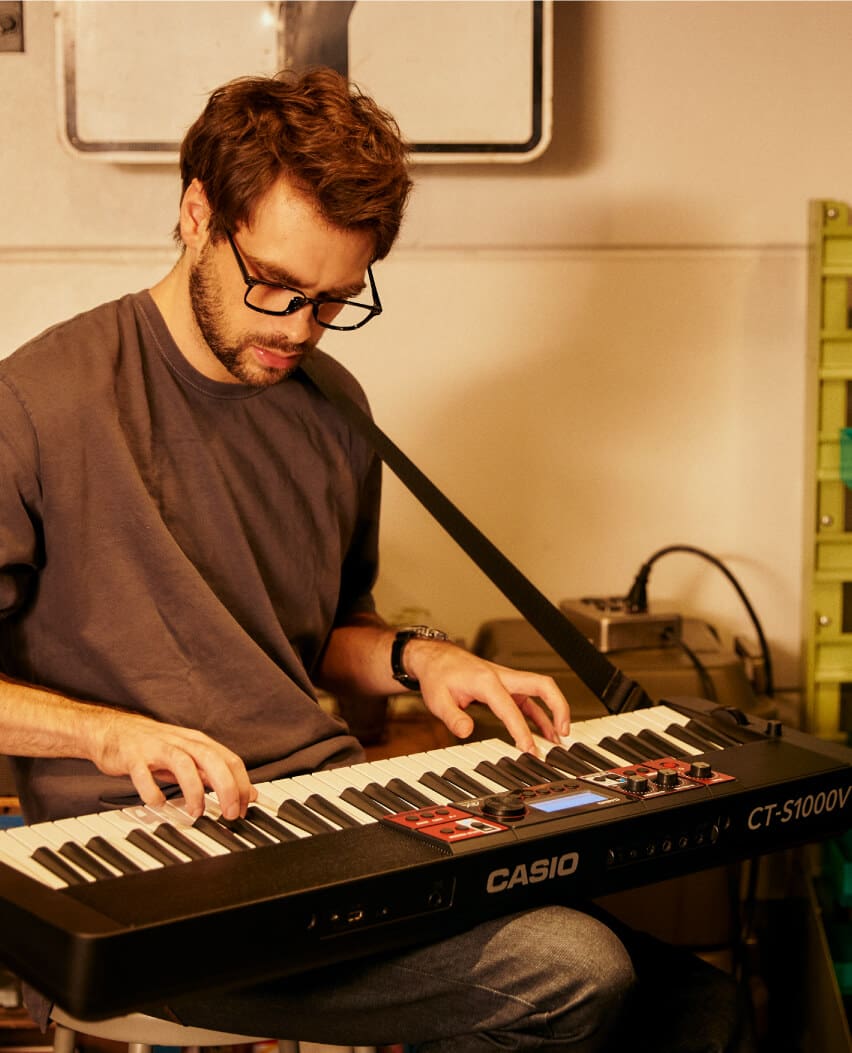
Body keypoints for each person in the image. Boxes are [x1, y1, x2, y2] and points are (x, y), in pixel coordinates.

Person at [0, 68, 747, 1052]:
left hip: (318, 820)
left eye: (334, 300)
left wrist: (421, 658)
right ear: (194, 215)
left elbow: (319, 635)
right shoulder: (38, 403)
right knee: (571, 973)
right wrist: (112, 737)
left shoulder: (333, 407)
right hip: (140, 854)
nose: (298, 329)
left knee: (707, 1008)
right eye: (274, 284)